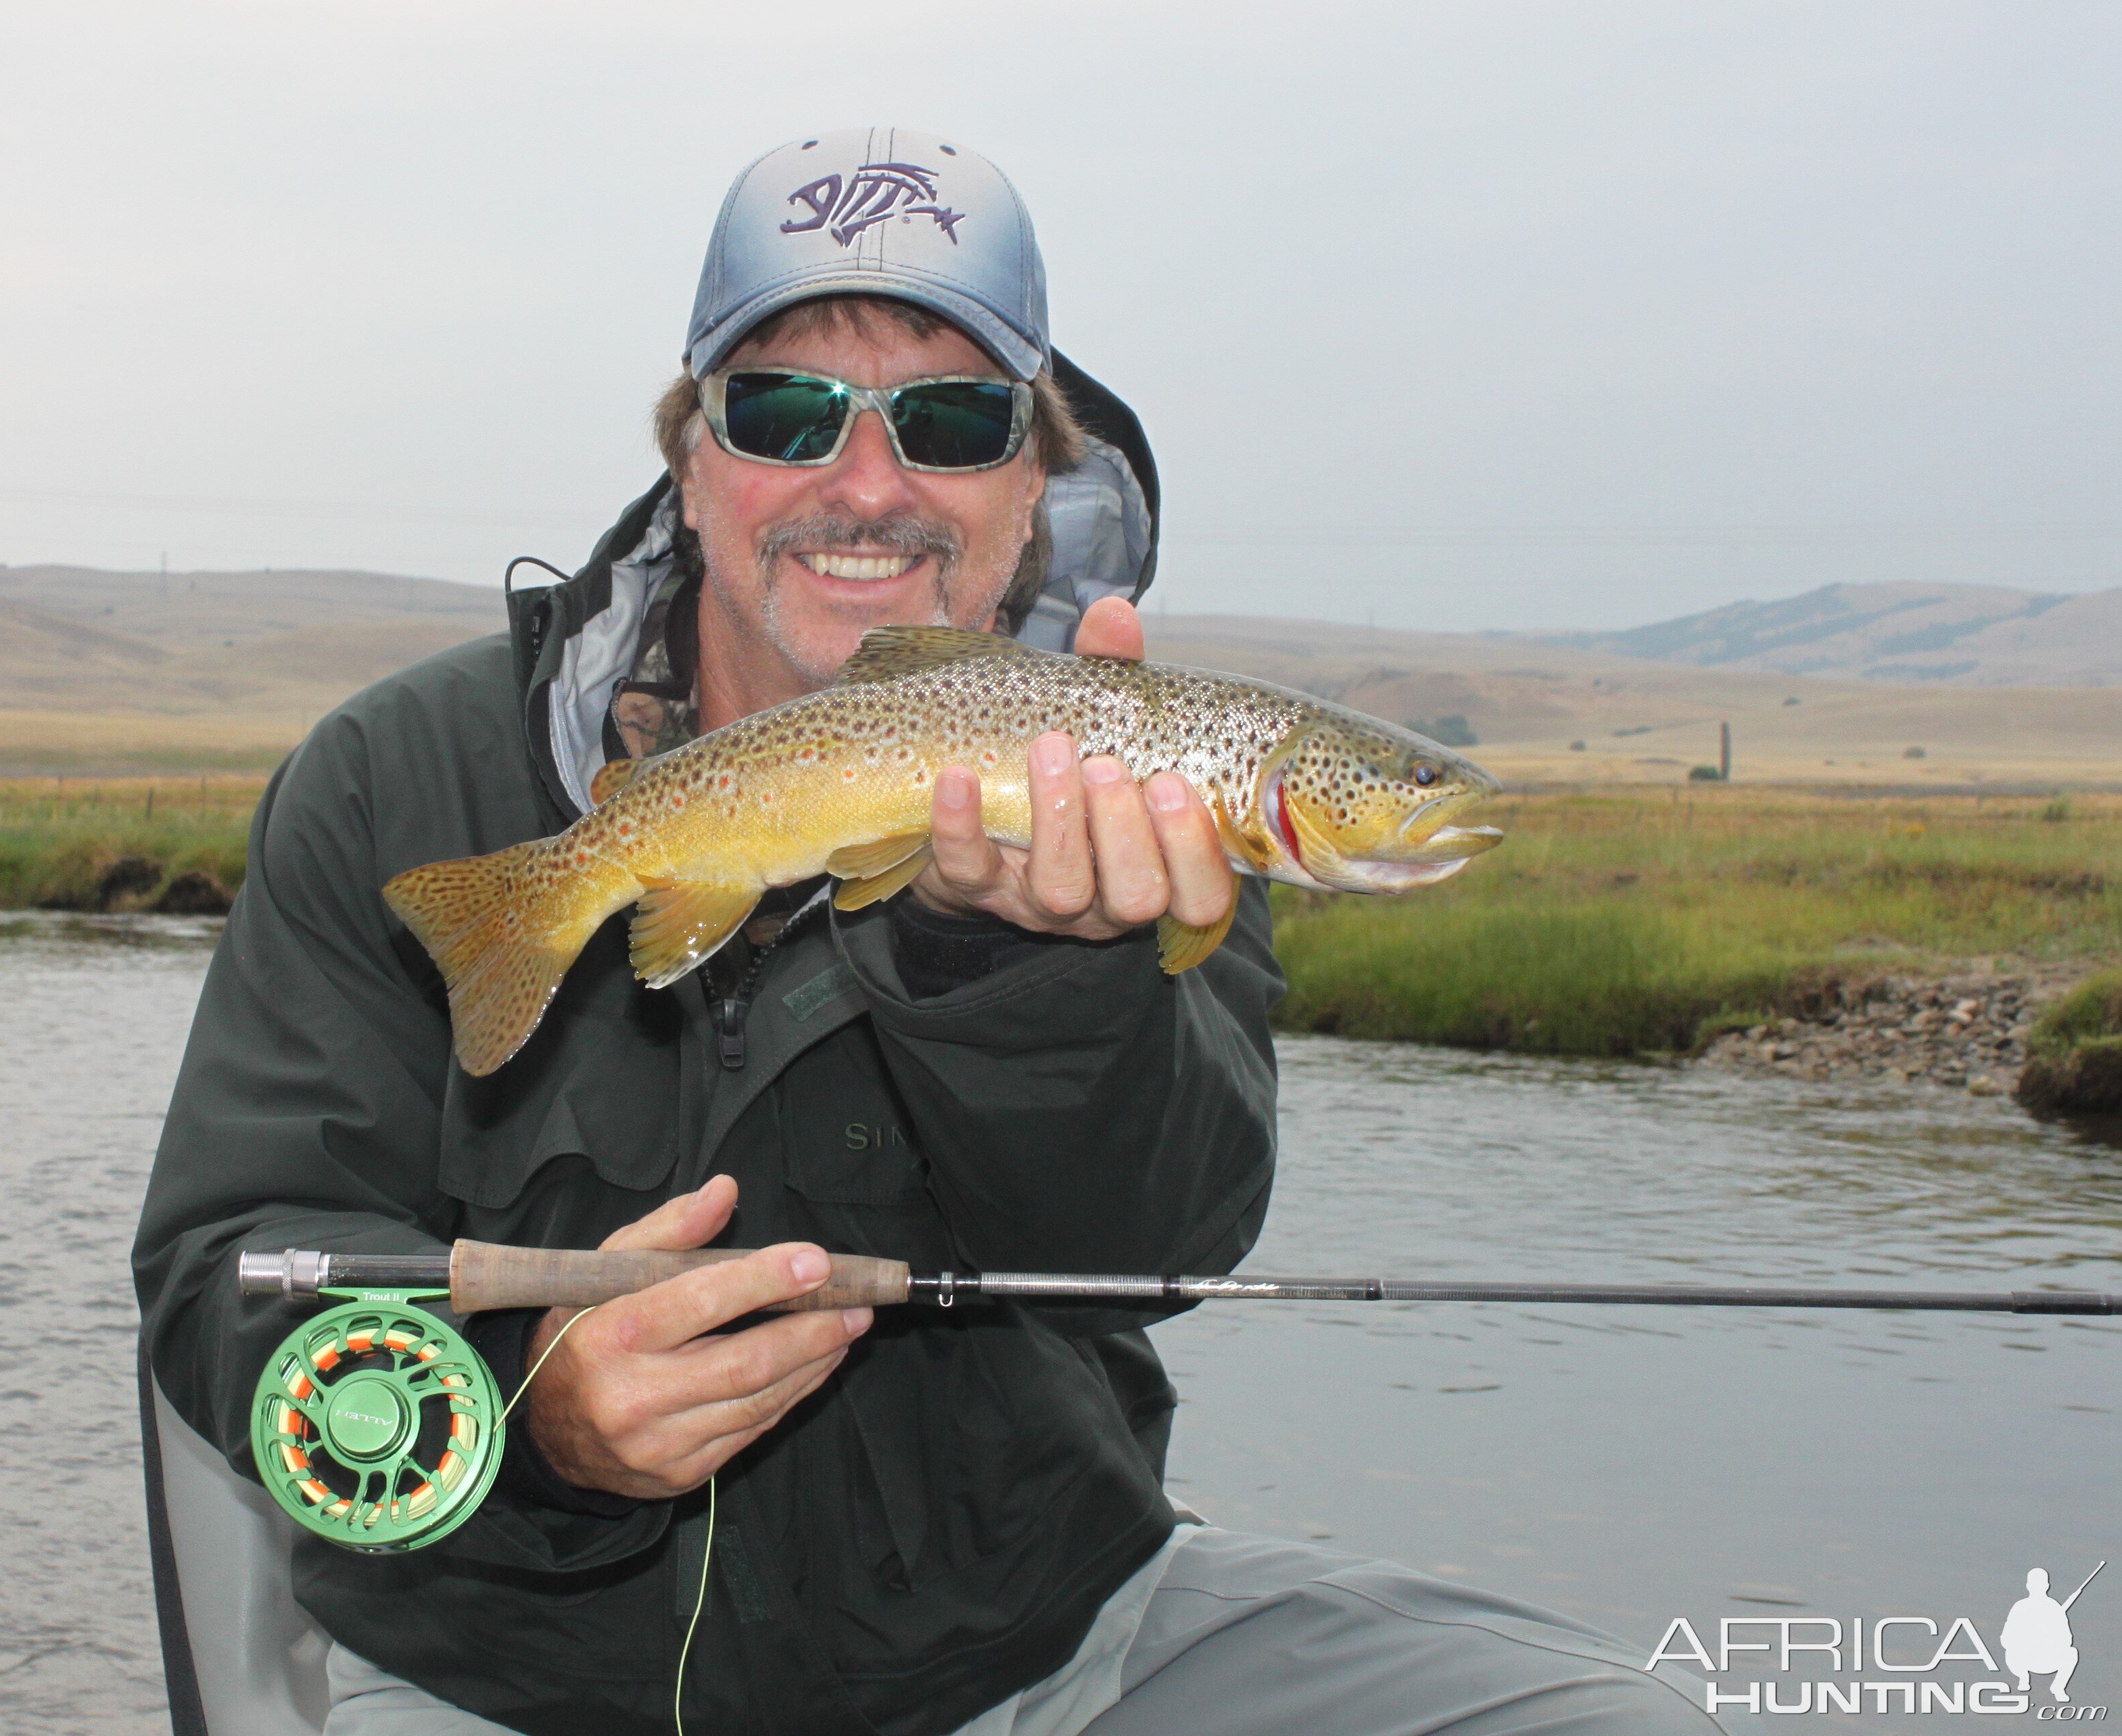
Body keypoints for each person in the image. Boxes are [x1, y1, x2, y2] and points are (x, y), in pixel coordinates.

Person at [135, 127, 1728, 1735]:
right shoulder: (400, 779)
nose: (870, 482)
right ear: (691, 464)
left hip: (1037, 1659)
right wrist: (526, 1412)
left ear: (1031, 489)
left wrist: (1026, 972)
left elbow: (1164, 1246)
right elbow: (231, 1269)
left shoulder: (1146, 790)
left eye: (954, 421)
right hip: (505, 1672)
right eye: (786, 409)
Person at [2001, 1568, 2081, 1702]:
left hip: (2049, 1659)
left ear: (2047, 1586)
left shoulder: (2055, 1608)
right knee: (2010, 1652)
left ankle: (2058, 1687)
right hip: (2024, 1659)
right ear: (2028, 1586)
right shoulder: (2020, 1607)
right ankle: (2023, 1677)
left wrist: (2049, 1639)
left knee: (2072, 1653)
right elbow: (2006, 1638)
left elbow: (2067, 1639)